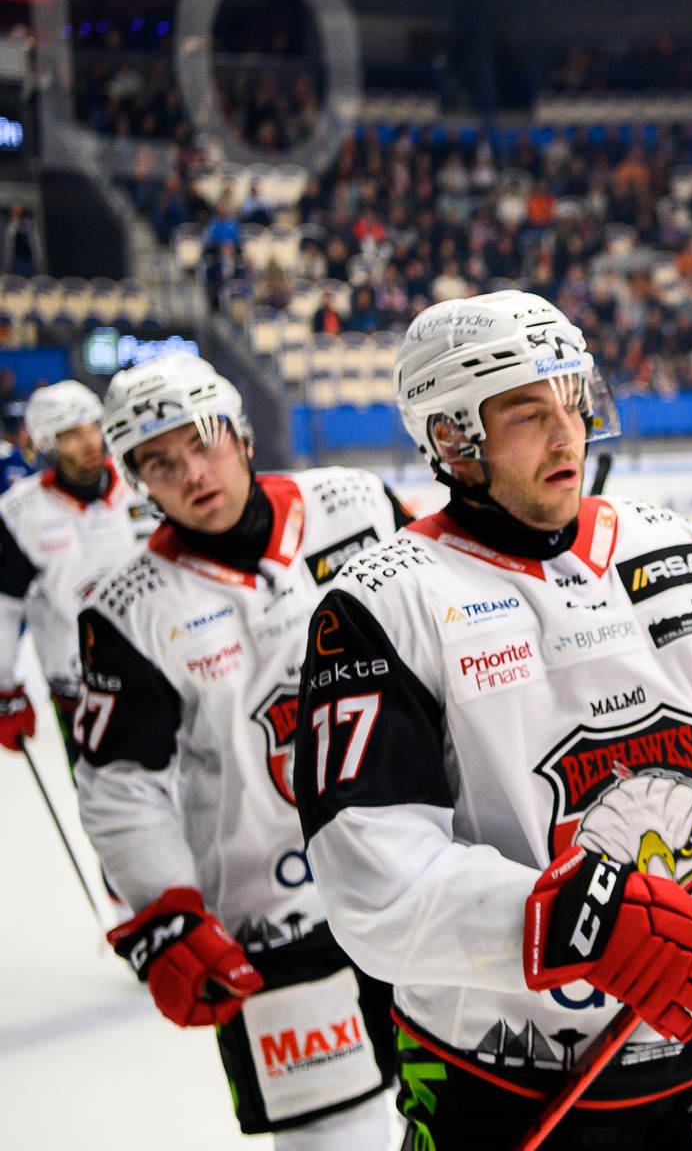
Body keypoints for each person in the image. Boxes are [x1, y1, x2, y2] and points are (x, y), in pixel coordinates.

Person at [297, 292, 692, 1150]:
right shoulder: (385, 603)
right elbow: (371, 881)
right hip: (496, 1070)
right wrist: (578, 917)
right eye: (529, 415)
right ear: (453, 440)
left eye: (573, 399)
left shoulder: (668, 550)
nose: (568, 435)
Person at [72, 355, 410, 1148]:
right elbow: (122, 784)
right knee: (334, 1140)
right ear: (136, 481)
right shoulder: (128, 611)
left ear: (242, 433)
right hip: (275, 930)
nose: (191, 472)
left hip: (422, 876)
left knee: (468, 1115)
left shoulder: (355, 506)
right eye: (160, 462)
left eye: (202, 442)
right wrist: (166, 910)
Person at [0, 382, 155, 764]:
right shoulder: (20, 512)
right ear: (46, 442)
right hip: (82, 692)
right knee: (107, 814)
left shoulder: (144, 482)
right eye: (71, 434)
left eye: (91, 427)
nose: (88, 441)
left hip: (166, 673)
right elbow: (4, 607)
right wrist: (4, 688)